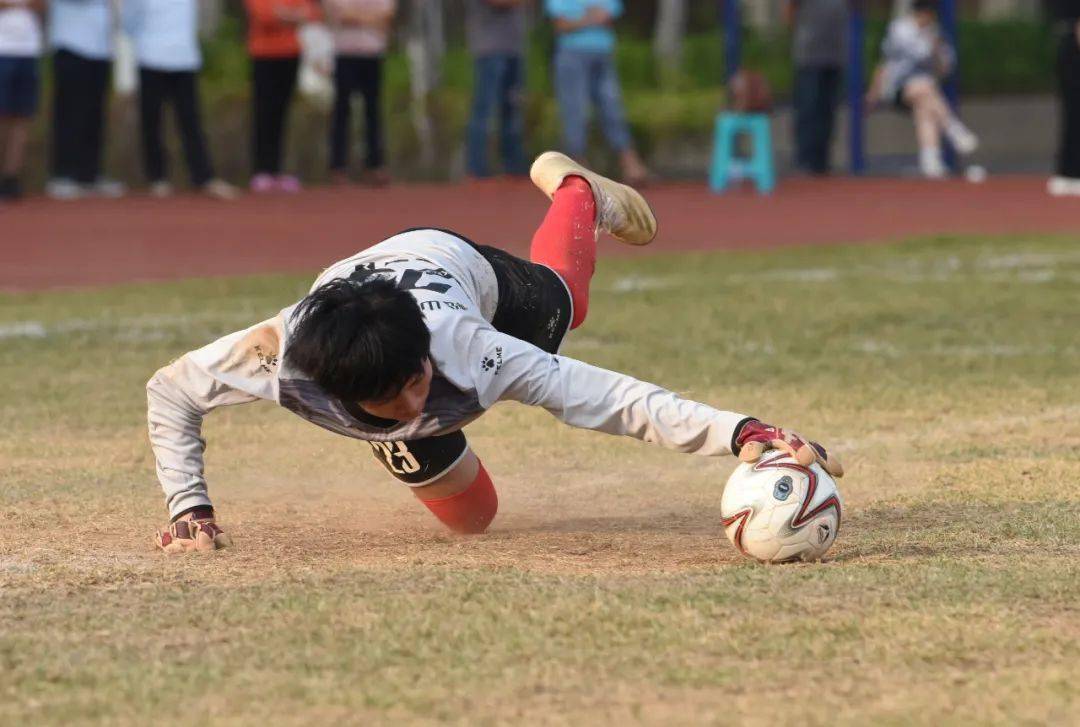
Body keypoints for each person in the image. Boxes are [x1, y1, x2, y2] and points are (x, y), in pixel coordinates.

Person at [146, 150, 844, 553]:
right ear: (343, 395)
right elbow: (170, 390)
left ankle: (577, 191)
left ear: (427, 354)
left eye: (420, 382)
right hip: (356, 317)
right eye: (395, 403)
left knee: (571, 302)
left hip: (455, 267)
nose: (420, 401)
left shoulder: (472, 348)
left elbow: (612, 398)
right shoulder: (279, 360)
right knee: (473, 521)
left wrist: (741, 431)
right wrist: (190, 509)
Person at [123, 0, 238, 199]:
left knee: (191, 120)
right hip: (151, 56)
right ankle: (157, 178)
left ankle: (203, 177)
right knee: (152, 121)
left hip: (185, 57)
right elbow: (129, 22)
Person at [865, 0, 977, 179]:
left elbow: (945, 69)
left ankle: (930, 161)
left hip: (924, 91)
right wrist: (873, 91)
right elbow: (887, 62)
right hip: (896, 88)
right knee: (923, 88)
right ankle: (952, 128)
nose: (929, 18)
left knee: (924, 110)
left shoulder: (935, 33)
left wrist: (937, 48)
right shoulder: (900, 29)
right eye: (926, 14)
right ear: (918, 13)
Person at [545, 0, 647, 184]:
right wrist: (592, 18)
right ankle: (578, 169)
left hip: (603, 54)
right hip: (571, 54)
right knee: (575, 111)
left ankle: (630, 163)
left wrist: (581, 19)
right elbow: (562, 25)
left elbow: (609, 17)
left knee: (613, 108)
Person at [46, 0, 125, 199]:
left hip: (101, 48)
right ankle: (62, 175)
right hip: (70, 45)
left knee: (95, 114)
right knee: (69, 113)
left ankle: (89, 174)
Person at [244, 0, 320, 193]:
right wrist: (292, 16)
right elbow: (264, 16)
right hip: (263, 54)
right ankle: (261, 170)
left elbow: (311, 13)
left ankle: (276, 170)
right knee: (264, 111)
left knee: (281, 112)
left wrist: (286, 15)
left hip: (291, 53)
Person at [323, 0, 395, 186]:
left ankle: (375, 165)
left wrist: (356, 17)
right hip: (345, 53)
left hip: (373, 53)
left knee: (373, 111)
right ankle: (337, 166)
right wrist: (370, 19)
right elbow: (340, 14)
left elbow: (387, 14)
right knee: (341, 110)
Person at [464, 0, 528, 179]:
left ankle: (513, 165)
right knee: (483, 109)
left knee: (512, 108)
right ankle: (476, 168)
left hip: (514, 48)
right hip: (488, 49)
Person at [786, 0, 848, 176]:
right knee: (808, 108)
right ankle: (804, 160)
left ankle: (822, 161)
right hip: (809, 56)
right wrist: (800, 33)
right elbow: (789, 10)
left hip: (835, 55)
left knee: (828, 110)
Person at [0, 0, 41, 201]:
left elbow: (42, 6)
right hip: (2, 49)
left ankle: (11, 177)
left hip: (29, 50)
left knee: (22, 116)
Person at [1048, 0, 1080, 196]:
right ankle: (1070, 173)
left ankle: (1068, 173)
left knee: (1073, 114)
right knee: (1074, 114)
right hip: (1073, 52)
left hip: (1067, 46)